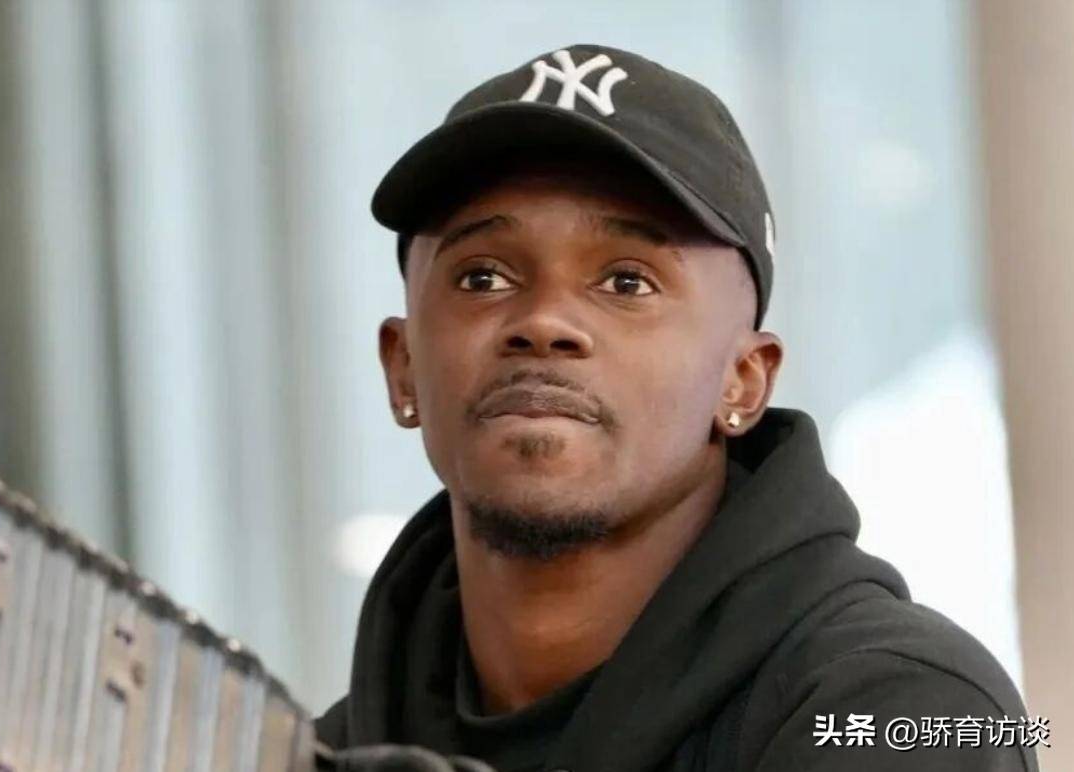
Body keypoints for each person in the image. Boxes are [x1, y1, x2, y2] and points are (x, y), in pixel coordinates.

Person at [314, 44, 1039, 772]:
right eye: (482, 277)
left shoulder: (903, 708)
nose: (543, 321)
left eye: (627, 282)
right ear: (402, 367)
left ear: (743, 382)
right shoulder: (316, 753)